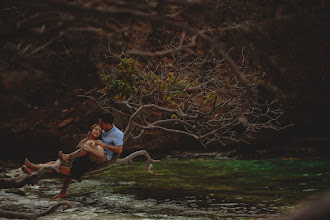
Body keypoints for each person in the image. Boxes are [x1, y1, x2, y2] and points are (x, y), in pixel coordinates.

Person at [22, 124, 107, 198]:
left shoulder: (96, 143)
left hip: (78, 168)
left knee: (53, 167)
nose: (97, 132)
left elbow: (101, 154)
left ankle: (32, 166)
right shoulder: (84, 141)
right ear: (91, 130)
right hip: (74, 163)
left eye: (99, 131)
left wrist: (90, 149)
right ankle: (32, 170)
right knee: (52, 163)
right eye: (96, 129)